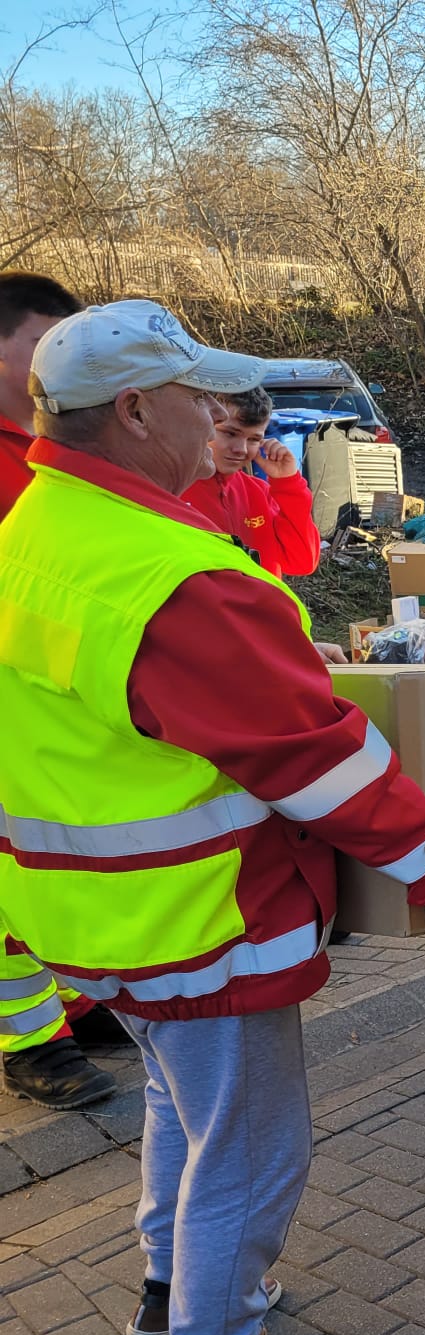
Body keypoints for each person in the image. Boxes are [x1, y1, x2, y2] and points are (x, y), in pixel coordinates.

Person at [0, 299, 425, 1335]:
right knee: (253, 1141)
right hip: (198, 916)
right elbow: (314, 755)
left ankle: (172, 1293)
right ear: (135, 411)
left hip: (91, 916)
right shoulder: (167, 572)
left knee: (188, 1114)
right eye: (196, 398)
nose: (215, 417)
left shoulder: (35, 530)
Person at [0, 270, 124, 1110]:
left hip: (61, 695)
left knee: (55, 856)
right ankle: (29, 1038)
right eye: (42, 343)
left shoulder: (63, 452)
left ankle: (74, 1003)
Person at [181, 385, 321, 576]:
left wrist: (288, 484)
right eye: (230, 433)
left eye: (253, 439)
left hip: (264, 606)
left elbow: (302, 563)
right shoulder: (171, 490)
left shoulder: (259, 493)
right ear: (200, 424)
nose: (242, 449)